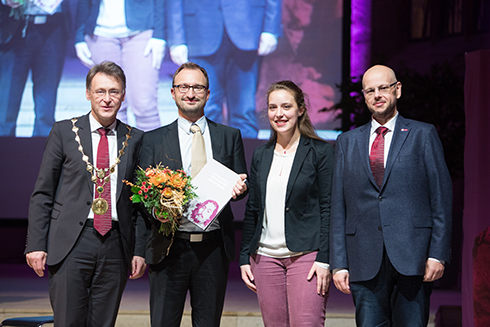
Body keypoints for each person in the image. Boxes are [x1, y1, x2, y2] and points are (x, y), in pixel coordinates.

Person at [25, 61, 146, 326]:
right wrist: (35, 244)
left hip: (116, 244)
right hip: (71, 242)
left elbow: (139, 204)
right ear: (88, 93)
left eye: (114, 92)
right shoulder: (64, 132)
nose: (107, 98)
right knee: (68, 321)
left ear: (123, 96)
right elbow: (43, 192)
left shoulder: (136, 138)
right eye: (100, 91)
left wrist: (140, 250)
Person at [330, 65, 452, 326]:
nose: (377, 95)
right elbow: (338, 207)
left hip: (413, 257)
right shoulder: (346, 142)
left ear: (397, 89)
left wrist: (437, 253)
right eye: (370, 90)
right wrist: (338, 263)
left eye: (383, 88)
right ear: (364, 97)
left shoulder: (423, 134)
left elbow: (440, 199)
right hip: (364, 259)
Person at [138, 62, 248, 327]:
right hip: (169, 247)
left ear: (208, 94)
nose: (190, 93)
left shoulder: (229, 136)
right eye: (184, 86)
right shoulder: (152, 140)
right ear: (173, 93)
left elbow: (241, 184)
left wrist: (240, 189)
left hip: (213, 248)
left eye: (197, 87)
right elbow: (141, 199)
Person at [240, 80, 334, 326]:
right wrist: (243, 257)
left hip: (306, 256)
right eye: (273, 107)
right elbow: (253, 209)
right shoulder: (261, 154)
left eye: (286, 106)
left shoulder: (320, 152)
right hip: (265, 258)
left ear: (300, 109)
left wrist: (325, 258)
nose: (279, 114)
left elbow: (328, 208)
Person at [166, 0, 282, 139]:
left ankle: (245, 158)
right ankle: (206, 160)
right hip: (199, 29)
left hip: (248, 25)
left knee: (244, 111)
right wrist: (176, 38)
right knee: (205, 110)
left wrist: (271, 27)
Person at [75, 0, 165, 131]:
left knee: (144, 104)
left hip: (141, 30)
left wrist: (160, 35)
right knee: (110, 105)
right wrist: (79, 36)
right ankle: (118, 151)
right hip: (100, 33)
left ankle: (152, 151)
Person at [0, 0, 70, 136]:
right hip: (14, 29)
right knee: (6, 109)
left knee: (46, 108)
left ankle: (42, 155)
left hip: (53, 29)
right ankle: (6, 154)